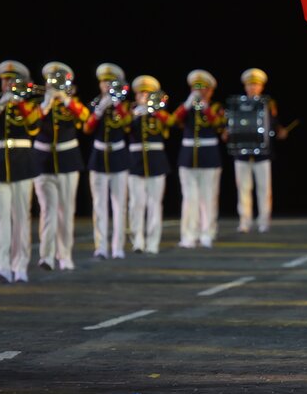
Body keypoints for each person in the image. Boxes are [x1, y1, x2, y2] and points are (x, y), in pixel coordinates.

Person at [0, 60, 42, 283]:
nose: (7, 83)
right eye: (5, 80)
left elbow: (35, 126)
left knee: (22, 218)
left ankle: (20, 266)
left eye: (12, 80)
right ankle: (2, 267)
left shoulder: (30, 105)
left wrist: (20, 103)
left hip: (22, 164)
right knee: (1, 218)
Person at [33, 61, 90, 271]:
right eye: (51, 80)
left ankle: (64, 255)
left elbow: (86, 118)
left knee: (66, 211)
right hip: (42, 161)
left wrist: (66, 100)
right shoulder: (39, 102)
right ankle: (46, 256)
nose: (54, 85)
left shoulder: (72, 103)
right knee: (47, 210)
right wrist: (45, 104)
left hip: (68, 161)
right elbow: (30, 124)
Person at [227, 68, 288, 234]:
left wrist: (280, 131)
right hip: (241, 153)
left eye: (256, 85)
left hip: (262, 153)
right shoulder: (237, 104)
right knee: (243, 188)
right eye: (250, 85)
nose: (253, 88)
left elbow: (272, 123)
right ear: (245, 86)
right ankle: (244, 221)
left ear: (261, 87)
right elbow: (231, 124)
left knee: (264, 188)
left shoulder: (268, 103)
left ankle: (263, 220)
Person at [173, 69, 227, 249]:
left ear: (210, 90)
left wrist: (205, 106)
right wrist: (188, 104)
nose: (199, 91)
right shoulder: (187, 107)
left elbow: (218, 124)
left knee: (208, 197)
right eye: (196, 88)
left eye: (203, 88)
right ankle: (189, 235)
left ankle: (207, 233)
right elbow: (173, 121)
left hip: (209, 157)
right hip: (188, 156)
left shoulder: (216, 108)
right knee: (189, 199)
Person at [83, 62, 132, 260]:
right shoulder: (96, 103)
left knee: (120, 205)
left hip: (119, 157)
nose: (106, 86)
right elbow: (87, 128)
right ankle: (101, 246)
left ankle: (118, 246)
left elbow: (128, 125)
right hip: (98, 157)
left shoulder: (124, 105)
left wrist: (117, 105)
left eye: (110, 82)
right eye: (103, 82)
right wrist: (99, 111)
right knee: (99, 205)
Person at [127, 75, 174, 254]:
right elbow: (123, 126)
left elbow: (171, 123)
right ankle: (137, 240)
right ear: (136, 95)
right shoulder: (131, 111)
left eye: (148, 93)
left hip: (156, 161)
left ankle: (153, 242)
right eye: (141, 93)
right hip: (135, 161)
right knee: (136, 204)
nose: (144, 97)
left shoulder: (159, 112)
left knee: (155, 204)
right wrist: (136, 114)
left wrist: (154, 111)